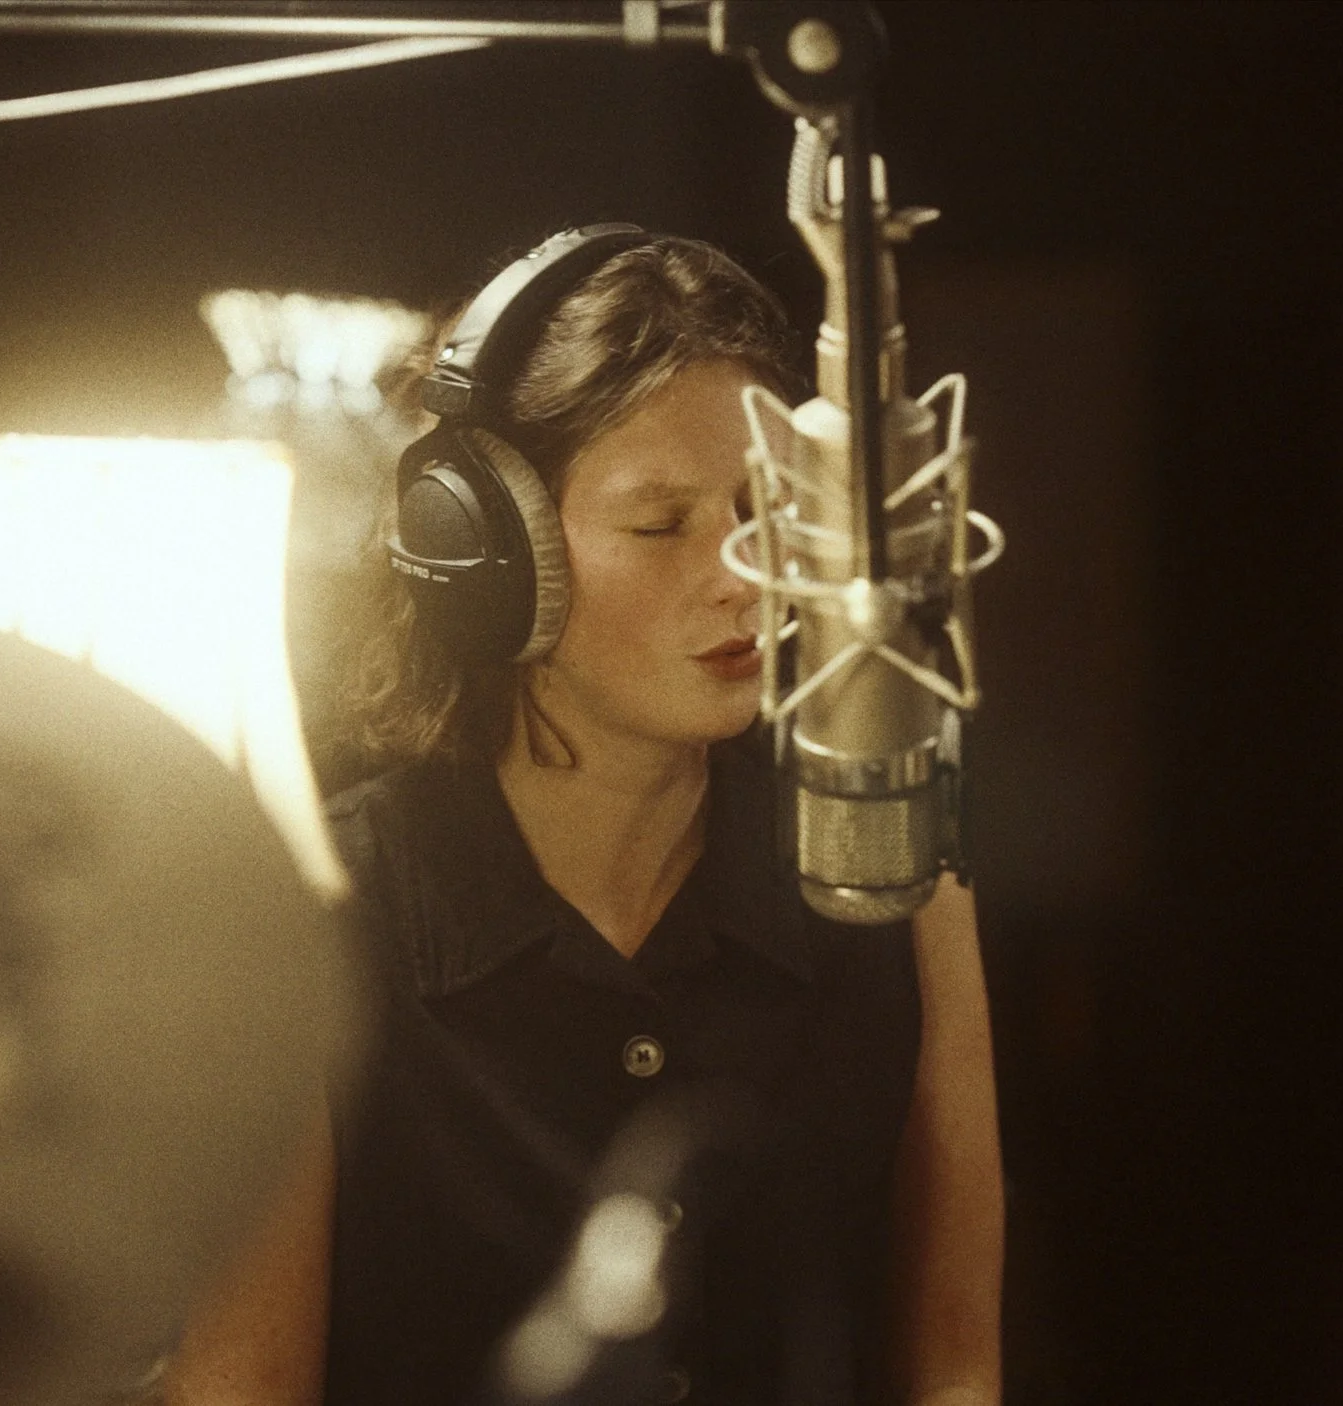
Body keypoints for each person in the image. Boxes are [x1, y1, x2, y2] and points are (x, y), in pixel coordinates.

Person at [166, 232, 1002, 1406]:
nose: (741, 575)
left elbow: (955, 1365)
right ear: (490, 552)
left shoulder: (897, 879)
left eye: (765, 513)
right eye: (660, 524)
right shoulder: (308, 922)